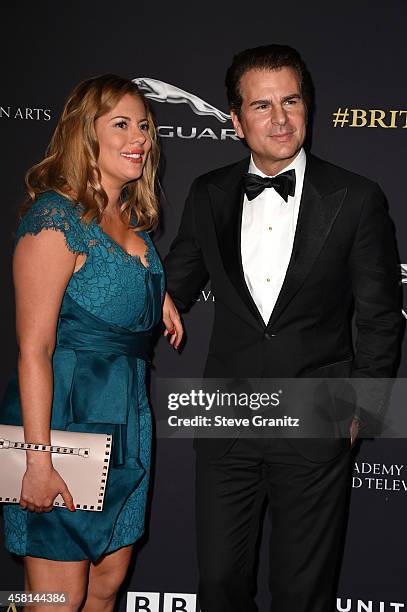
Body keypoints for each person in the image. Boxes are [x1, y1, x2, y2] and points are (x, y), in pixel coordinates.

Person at [163, 45, 403, 612]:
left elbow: (379, 316)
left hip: (316, 418)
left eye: (291, 101)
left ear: (308, 107)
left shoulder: (357, 197)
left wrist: (361, 413)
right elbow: (174, 278)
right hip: (226, 422)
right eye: (261, 105)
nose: (279, 119)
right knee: (219, 585)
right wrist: (143, 283)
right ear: (235, 119)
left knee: (301, 594)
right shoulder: (209, 192)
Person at [0, 74, 182, 612]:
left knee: (105, 589)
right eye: (121, 125)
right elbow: (33, 349)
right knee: (59, 598)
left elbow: (112, 286)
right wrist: (38, 461)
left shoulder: (132, 222)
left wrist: (158, 297)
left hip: (126, 425)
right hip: (64, 424)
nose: (139, 138)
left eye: (144, 126)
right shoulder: (55, 219)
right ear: (86, 135)